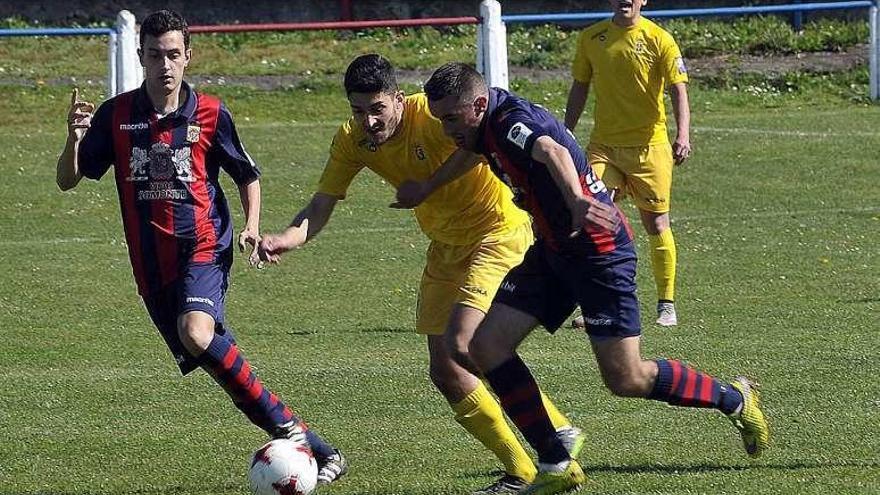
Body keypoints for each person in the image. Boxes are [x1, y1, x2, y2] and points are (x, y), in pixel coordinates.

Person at [399, 62, 769, 495]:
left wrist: (575, 198)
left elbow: (552, 151)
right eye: (440, 119)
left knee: (626, 378)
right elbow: (475, 149)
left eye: (451, 119)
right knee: (482, 346)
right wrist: (428, 187)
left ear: (478, 106)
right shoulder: (482, 126)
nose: (445, 130)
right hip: (554, 252)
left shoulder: (512, 122)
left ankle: (735, 399)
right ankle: (556, 462)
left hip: (600, 255)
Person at [258, 54, 582, 494]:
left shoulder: (432, 116)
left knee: (467, 344)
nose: (369, 120)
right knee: (446, 370)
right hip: (446, 247)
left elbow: (479, 144)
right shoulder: (352, 140)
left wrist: (428, 185)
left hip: (497, 230)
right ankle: (521, 471)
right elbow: (320, 205)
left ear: (397, 98)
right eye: (358, 110)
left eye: (378, 108)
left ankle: (557, 435)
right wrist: (286, 238)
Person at [54, 9, 346, 486]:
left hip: (205, 247)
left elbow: (247, 175)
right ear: (140, 57)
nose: (164, 65)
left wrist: (251, 226)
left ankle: (289, 431)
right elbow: (69, 180)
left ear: (188, 56)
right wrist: (73, 139)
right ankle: (308, 441)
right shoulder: (118, 116)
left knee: (196, 332)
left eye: (173, 55)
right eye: (154, 56)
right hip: (151, 266)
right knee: (210, 353)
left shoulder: (211, 112)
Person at [565, 0, 691, 327]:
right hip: (604, 147)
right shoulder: (592, 38)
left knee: (657, 225)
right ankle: (595, 302)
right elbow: (580, 86)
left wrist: (683, 135)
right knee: (592, 216)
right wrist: (566, 132)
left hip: (650, 149)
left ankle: (666, 304)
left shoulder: (658, 38)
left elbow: (679, 89)